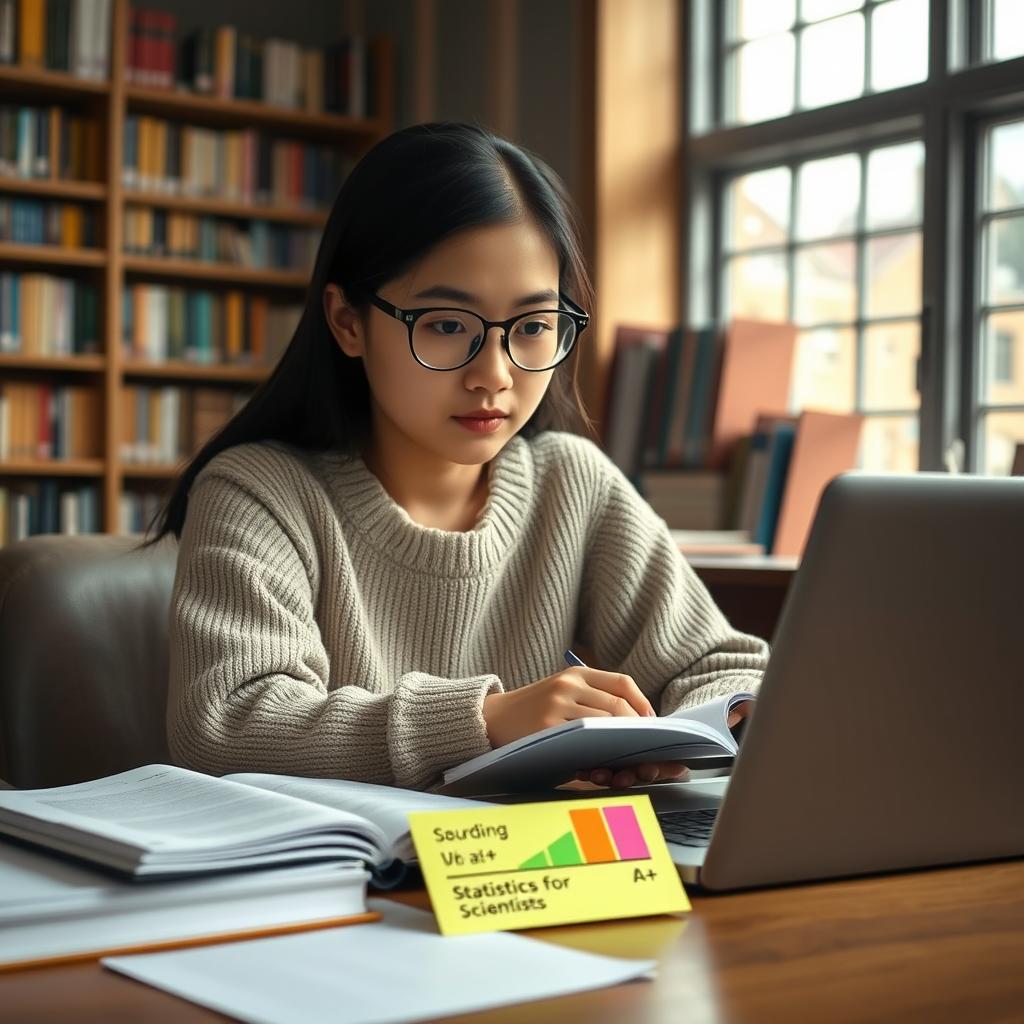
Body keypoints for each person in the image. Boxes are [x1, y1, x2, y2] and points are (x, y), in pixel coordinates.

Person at [144, 122, 768, 792]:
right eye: (446, 325)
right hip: (349, 886)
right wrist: (487, 719)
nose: (494, 374)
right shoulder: (259, 491)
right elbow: (226, 722)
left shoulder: (573, 483)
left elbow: (724, 668)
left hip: (544, 874)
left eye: (532, 326)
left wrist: (693, 728)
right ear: (348, 322)